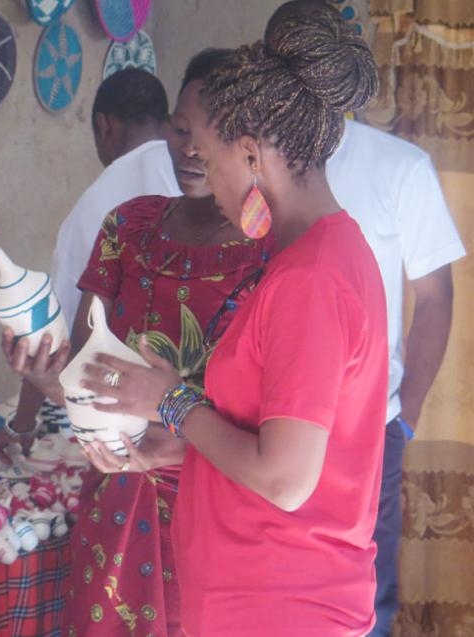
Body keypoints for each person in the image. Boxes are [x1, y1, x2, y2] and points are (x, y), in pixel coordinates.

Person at [80, 9, 388, 637]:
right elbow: (273, 441)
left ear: (252, 156)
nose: (209, 183)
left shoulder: (310, 280)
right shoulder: (318, 257)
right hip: (260, 603)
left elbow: (286, 478)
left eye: (213, 161)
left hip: (281, 610)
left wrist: (169, 400)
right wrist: (188, 445)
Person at [2, 49, 271, 636]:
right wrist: (44, 376)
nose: (191, 149)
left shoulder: (274, 256)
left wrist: (176, 442)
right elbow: (84, 376)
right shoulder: (129, 226)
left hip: (219, 512)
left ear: (253, 142)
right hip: (118, 501)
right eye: (180, 129)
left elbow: (277, 430)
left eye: (210, 134)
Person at [264, 3, 466, 635]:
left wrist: (404, 412)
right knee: (268, 595)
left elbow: (435, 297)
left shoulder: (398, 167)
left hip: (364, 435)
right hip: (262, 425)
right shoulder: (251, 159)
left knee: (359, 604)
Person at [0, 69, 181, 460]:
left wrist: (23, 424)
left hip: (128, 433)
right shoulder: (206, 180)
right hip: (203, 432)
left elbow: (51, 335)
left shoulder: (99, 204)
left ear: (103, 126)